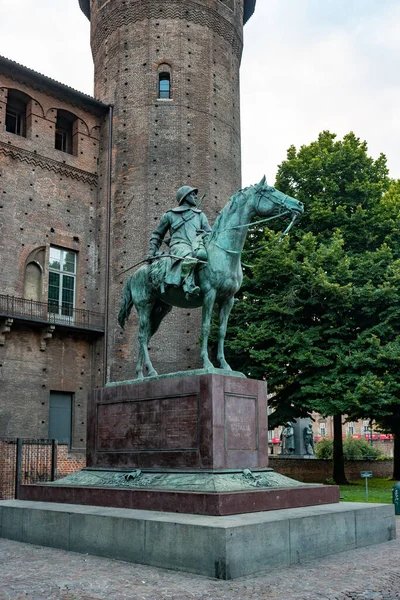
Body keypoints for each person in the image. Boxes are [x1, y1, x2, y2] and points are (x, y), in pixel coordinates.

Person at [148, 186, 212, 298]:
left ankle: (221, 291)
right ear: (185, 197)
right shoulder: (170, 215)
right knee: (190, 255)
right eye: (192, 194)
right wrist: (152, 251)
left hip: (197, 245)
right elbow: (157, 234)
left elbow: (210, 234)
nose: (195, 196)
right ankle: (189, 285)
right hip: (179, 245)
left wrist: (204, 234)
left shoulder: (200, 215)